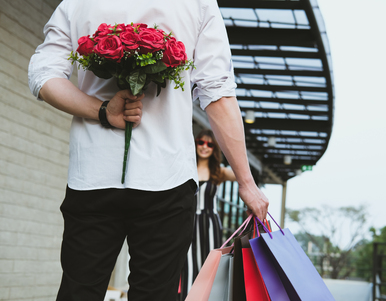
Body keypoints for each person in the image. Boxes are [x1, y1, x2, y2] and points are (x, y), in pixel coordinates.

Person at [28, 0, 269, 300]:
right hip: (166, 178)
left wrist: (102, 111)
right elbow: (217, 91)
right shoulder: (197, 3)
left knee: (79, 292)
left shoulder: (77, 2)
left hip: (93, 175)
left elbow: (42, 75)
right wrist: (247, 183)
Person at [179, 130, 236, 298]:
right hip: (187, 223)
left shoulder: (219, 172)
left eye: (210, 144)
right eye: (201, 142)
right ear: (195, 143)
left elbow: (243, 175)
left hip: (210, 224)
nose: (204, 147)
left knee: (209, 265)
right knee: (187, 264)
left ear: (214, 149)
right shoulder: (185, 167)